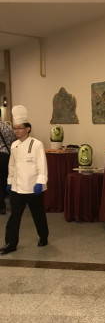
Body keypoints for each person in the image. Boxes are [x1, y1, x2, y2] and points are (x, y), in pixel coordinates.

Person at [0, 105, 49, 255]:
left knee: (38, 214)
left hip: (33, 187)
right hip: (17, 188)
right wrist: (9, 182)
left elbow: (42, 165)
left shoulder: (37, 144)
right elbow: (12, 165)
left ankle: (43, 237)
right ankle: (11, 243)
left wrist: (40, 182)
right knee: (14, 216)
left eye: (19, 128)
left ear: (28, 128)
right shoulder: (14, 145)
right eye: (15, 128)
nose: (16, 131)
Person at [0, 120, 16, 214]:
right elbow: (14, 140)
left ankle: (1, 207)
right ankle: (14, 204)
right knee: (6, 180)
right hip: (7, 156)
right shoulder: (8, 127)